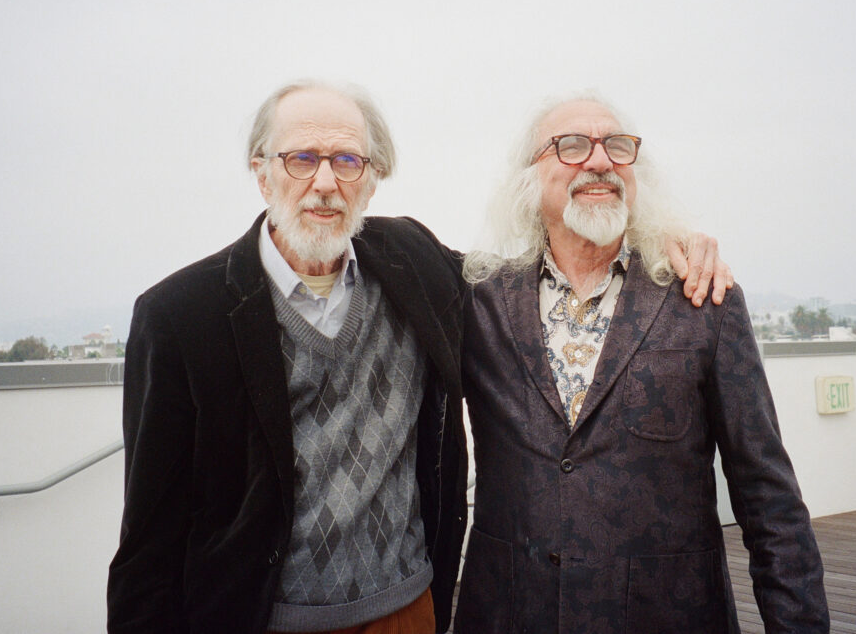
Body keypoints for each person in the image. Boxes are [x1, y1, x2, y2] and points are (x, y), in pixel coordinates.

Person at [106, 80, 729, 634]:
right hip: (258, 616)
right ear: (262, 171)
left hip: (408, 614)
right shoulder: (178, 316)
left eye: (347, 160)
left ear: (372, 177)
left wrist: (661, 238)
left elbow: (539, 269)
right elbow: (147, 544)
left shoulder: (414, 266)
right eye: (302, 159)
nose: (325, 182)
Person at [455, 95, 829, 633]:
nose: (600, 161)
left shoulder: (703, 300)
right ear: (529, 177)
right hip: (512, 614)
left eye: (618, 147)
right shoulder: (476, 299)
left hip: (669, 615)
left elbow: (768, 497)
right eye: (572, 146)